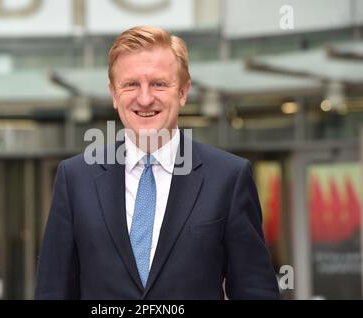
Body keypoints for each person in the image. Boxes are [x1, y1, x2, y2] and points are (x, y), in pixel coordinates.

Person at [35, 26, 280, 299]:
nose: (145, 98)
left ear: (184, 92)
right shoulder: (75, 179)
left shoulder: (229, 178)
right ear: (114, 94)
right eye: (130, 84)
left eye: (159, 84)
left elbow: (256, 291)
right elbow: (52, 291)